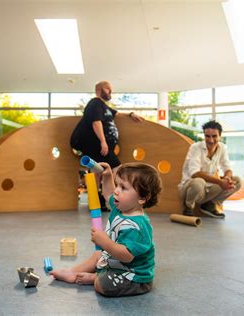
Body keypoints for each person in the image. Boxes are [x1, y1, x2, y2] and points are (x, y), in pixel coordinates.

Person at [51, 162, 162, 297]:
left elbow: (126, 256)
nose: (116, 190)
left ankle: (95, 278)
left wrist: (105, 242)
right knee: (98, 255)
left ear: (142, 198)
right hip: (115, 262)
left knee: (103, 286)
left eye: (123, 187)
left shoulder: (137, 227)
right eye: (117, 184)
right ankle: (73, 272)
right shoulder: (120, 207)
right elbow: (108, 193)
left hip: (133, 276)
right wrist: (108, 176)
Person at [70, 81, 144, 209]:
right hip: (96, 145)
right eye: (107, 89)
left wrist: (131, 114)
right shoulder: (95, 103)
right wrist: (103, 142)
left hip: (101, 146)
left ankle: (97, 202)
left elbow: (117, 114)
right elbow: (96, 122)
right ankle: (111, 198)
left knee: (97, 172)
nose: (110, 91)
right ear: (99, 90)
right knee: (117, 168)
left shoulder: (104, 107)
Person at [178, 120, 241, 218]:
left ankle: (210, 204)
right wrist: (220, 182)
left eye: (214, 136)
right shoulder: (195, 147)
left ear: (220, 136)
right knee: (199, 182)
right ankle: (188, 206)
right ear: (204, 136)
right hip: (190, 189)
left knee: (237, 181)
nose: (211, 140)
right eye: (207, 136)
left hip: (209, 189)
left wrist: (226, 179)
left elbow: (227, 168)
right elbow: (195, 173)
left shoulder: (222, 148)